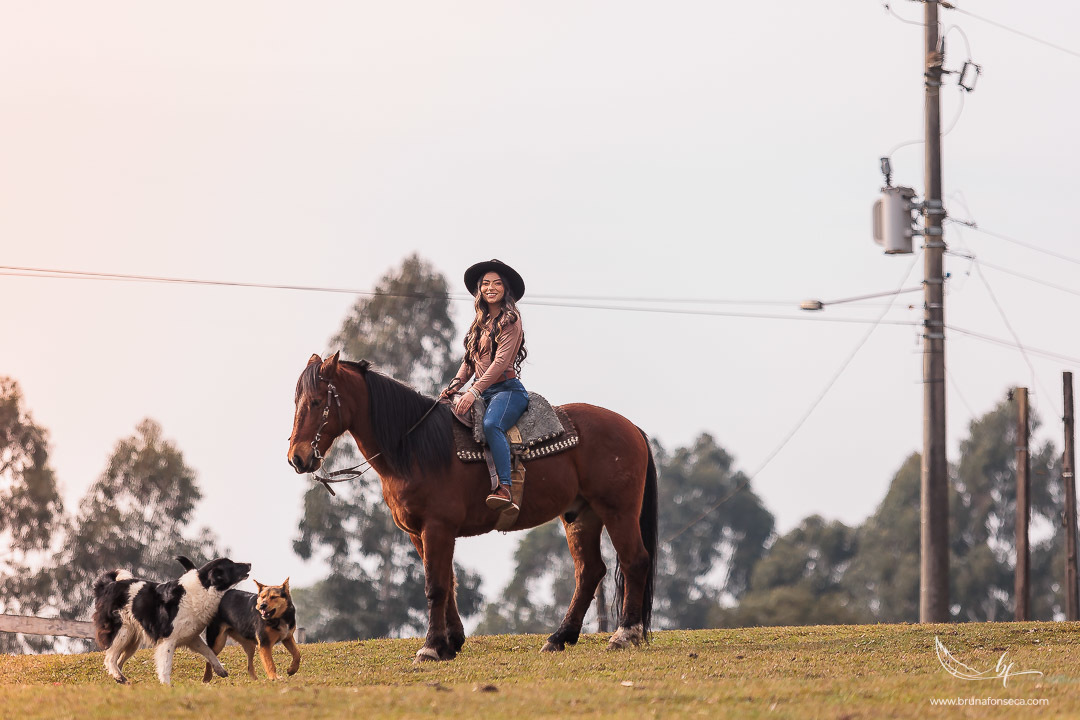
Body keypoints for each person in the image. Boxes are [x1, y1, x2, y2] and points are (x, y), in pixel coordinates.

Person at [440, 259, 529, 512]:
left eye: (497, 284)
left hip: (507, 390)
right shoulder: (478, 325)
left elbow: (500, 362)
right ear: (480, 290)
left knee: (491, 424)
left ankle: (504, 487)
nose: (491, 288)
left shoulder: (510, 320)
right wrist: (454, 387)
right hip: (483, 392)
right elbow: (468, 364)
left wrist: (473, 391)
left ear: (505, 289)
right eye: (486, 284)